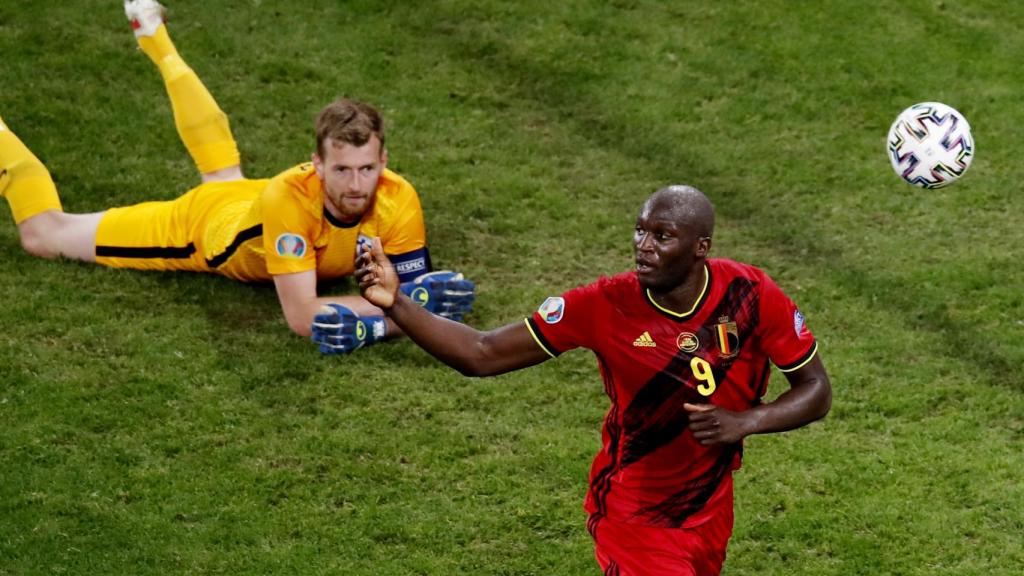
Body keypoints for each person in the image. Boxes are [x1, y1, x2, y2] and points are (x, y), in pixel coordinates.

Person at [355, 185, 832, 575]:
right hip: (635, 513)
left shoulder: (749, 294)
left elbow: (816, 391)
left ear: (699, 248)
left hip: (708, 505)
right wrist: (397, 303)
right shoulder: (603, 306)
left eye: (662, 236)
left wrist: (746, 421)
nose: (643, 246)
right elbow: (482, 354)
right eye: (640, 230)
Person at [0, 0, 474, 354]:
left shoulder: (398, 196)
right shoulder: (291, 200)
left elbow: (418, 292)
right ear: (317, 164)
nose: (356, 185)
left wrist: (401, 307)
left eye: (367, 169)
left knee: (224, 172)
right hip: (201, 228)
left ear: (384, 161)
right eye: (343, 170)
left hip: (244, 200)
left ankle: (151, 30)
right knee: (44, 234)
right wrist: (394, 315)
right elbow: (304, 313)